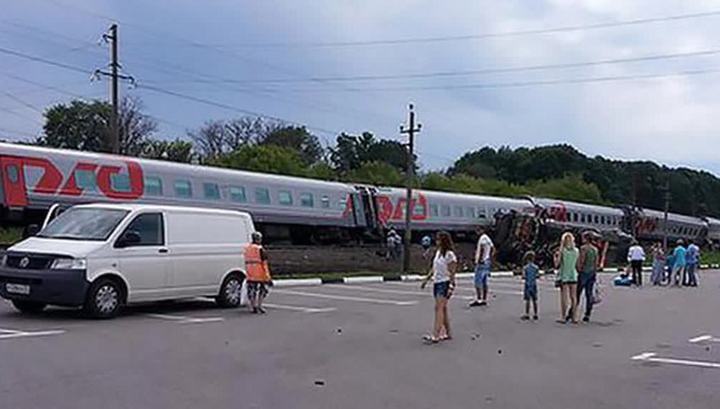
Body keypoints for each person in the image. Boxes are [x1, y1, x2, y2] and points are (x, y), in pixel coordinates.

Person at [420, 231, 457, 344]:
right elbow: (434, 268)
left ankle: (435, 335)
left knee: (438, 308)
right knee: (443, 309)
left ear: (444, 241)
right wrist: (426, 279)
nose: (436, 242)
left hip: (444, 283)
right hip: (437, 282)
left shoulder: (449, 255)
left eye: (438, 239)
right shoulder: (438, 252)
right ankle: (448, 333)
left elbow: (452, 271)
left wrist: (451, 286)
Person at [554, 232, 579, 324]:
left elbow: (557, 265)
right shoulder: (576, 250)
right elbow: (576, 264)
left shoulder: (562, 251)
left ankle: (563, 317)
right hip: (573, 274)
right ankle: (575, 317)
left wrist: (555, 258)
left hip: (564, 275)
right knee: (574, 297)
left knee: (564, 297)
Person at [245, 231, 272, 314]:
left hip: (250, 273)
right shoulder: (260, 249)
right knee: (263, 290)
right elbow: (264, 263)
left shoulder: (247, 248)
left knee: (251, 290)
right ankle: (260, 305)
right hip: (260, 274)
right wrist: (268, 276)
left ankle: (253, 306)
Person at [576, 232, 599, 322]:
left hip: (584, 272)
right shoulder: (595, 249)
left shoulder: (583, 248)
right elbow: (596, 262)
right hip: (592, 272)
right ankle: (587, 314)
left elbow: (582, 260)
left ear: (586, 238)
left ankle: (572, 312)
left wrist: (578, 269)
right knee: (589, 294)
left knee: (577, 293)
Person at [469, 226, 494, 307]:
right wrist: (489, 257)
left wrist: (480, 259)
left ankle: (479, 299)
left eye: (478, 230)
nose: (477, 232)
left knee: (477, 281)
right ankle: (484, 299)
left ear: (482, 230)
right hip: (487, 262)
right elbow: (493, 248)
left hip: (481, 262)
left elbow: (482, 248)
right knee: (484, 282)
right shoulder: (488, 238)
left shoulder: (482, 238)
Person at [521, 251, 539, 321]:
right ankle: (535, 314)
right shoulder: (536, 267)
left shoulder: (525, 268)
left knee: (527, 300)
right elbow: (537, 275)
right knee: (535, 300)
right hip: (534, 285)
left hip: (527, 285)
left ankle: (527, 314)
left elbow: (523, 276)